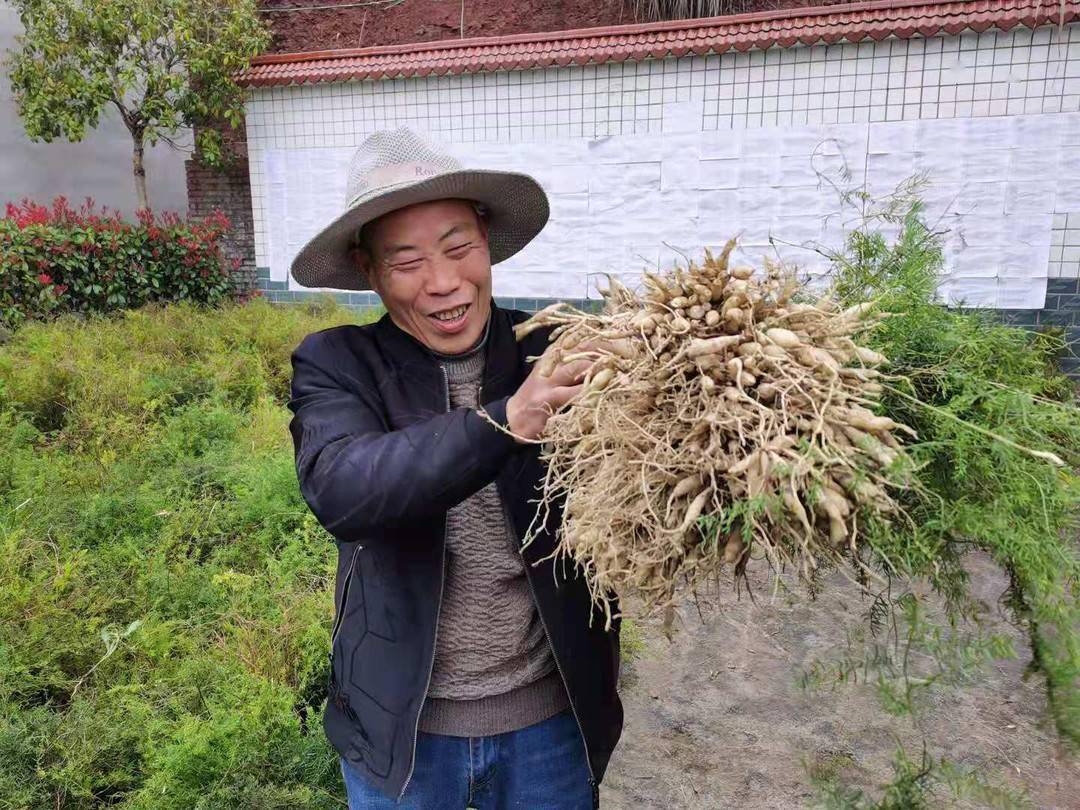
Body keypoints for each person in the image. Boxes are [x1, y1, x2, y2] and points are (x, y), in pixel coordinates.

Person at [285, 126, 623, 809]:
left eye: (458, 248)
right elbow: (344, 487)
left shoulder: (553, 351)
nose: (443, 283)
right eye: (406, 261)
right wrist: (507, 422)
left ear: (486, 240)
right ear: (369, 269)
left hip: (550, 727)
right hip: (404, 741)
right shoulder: (338, 365)